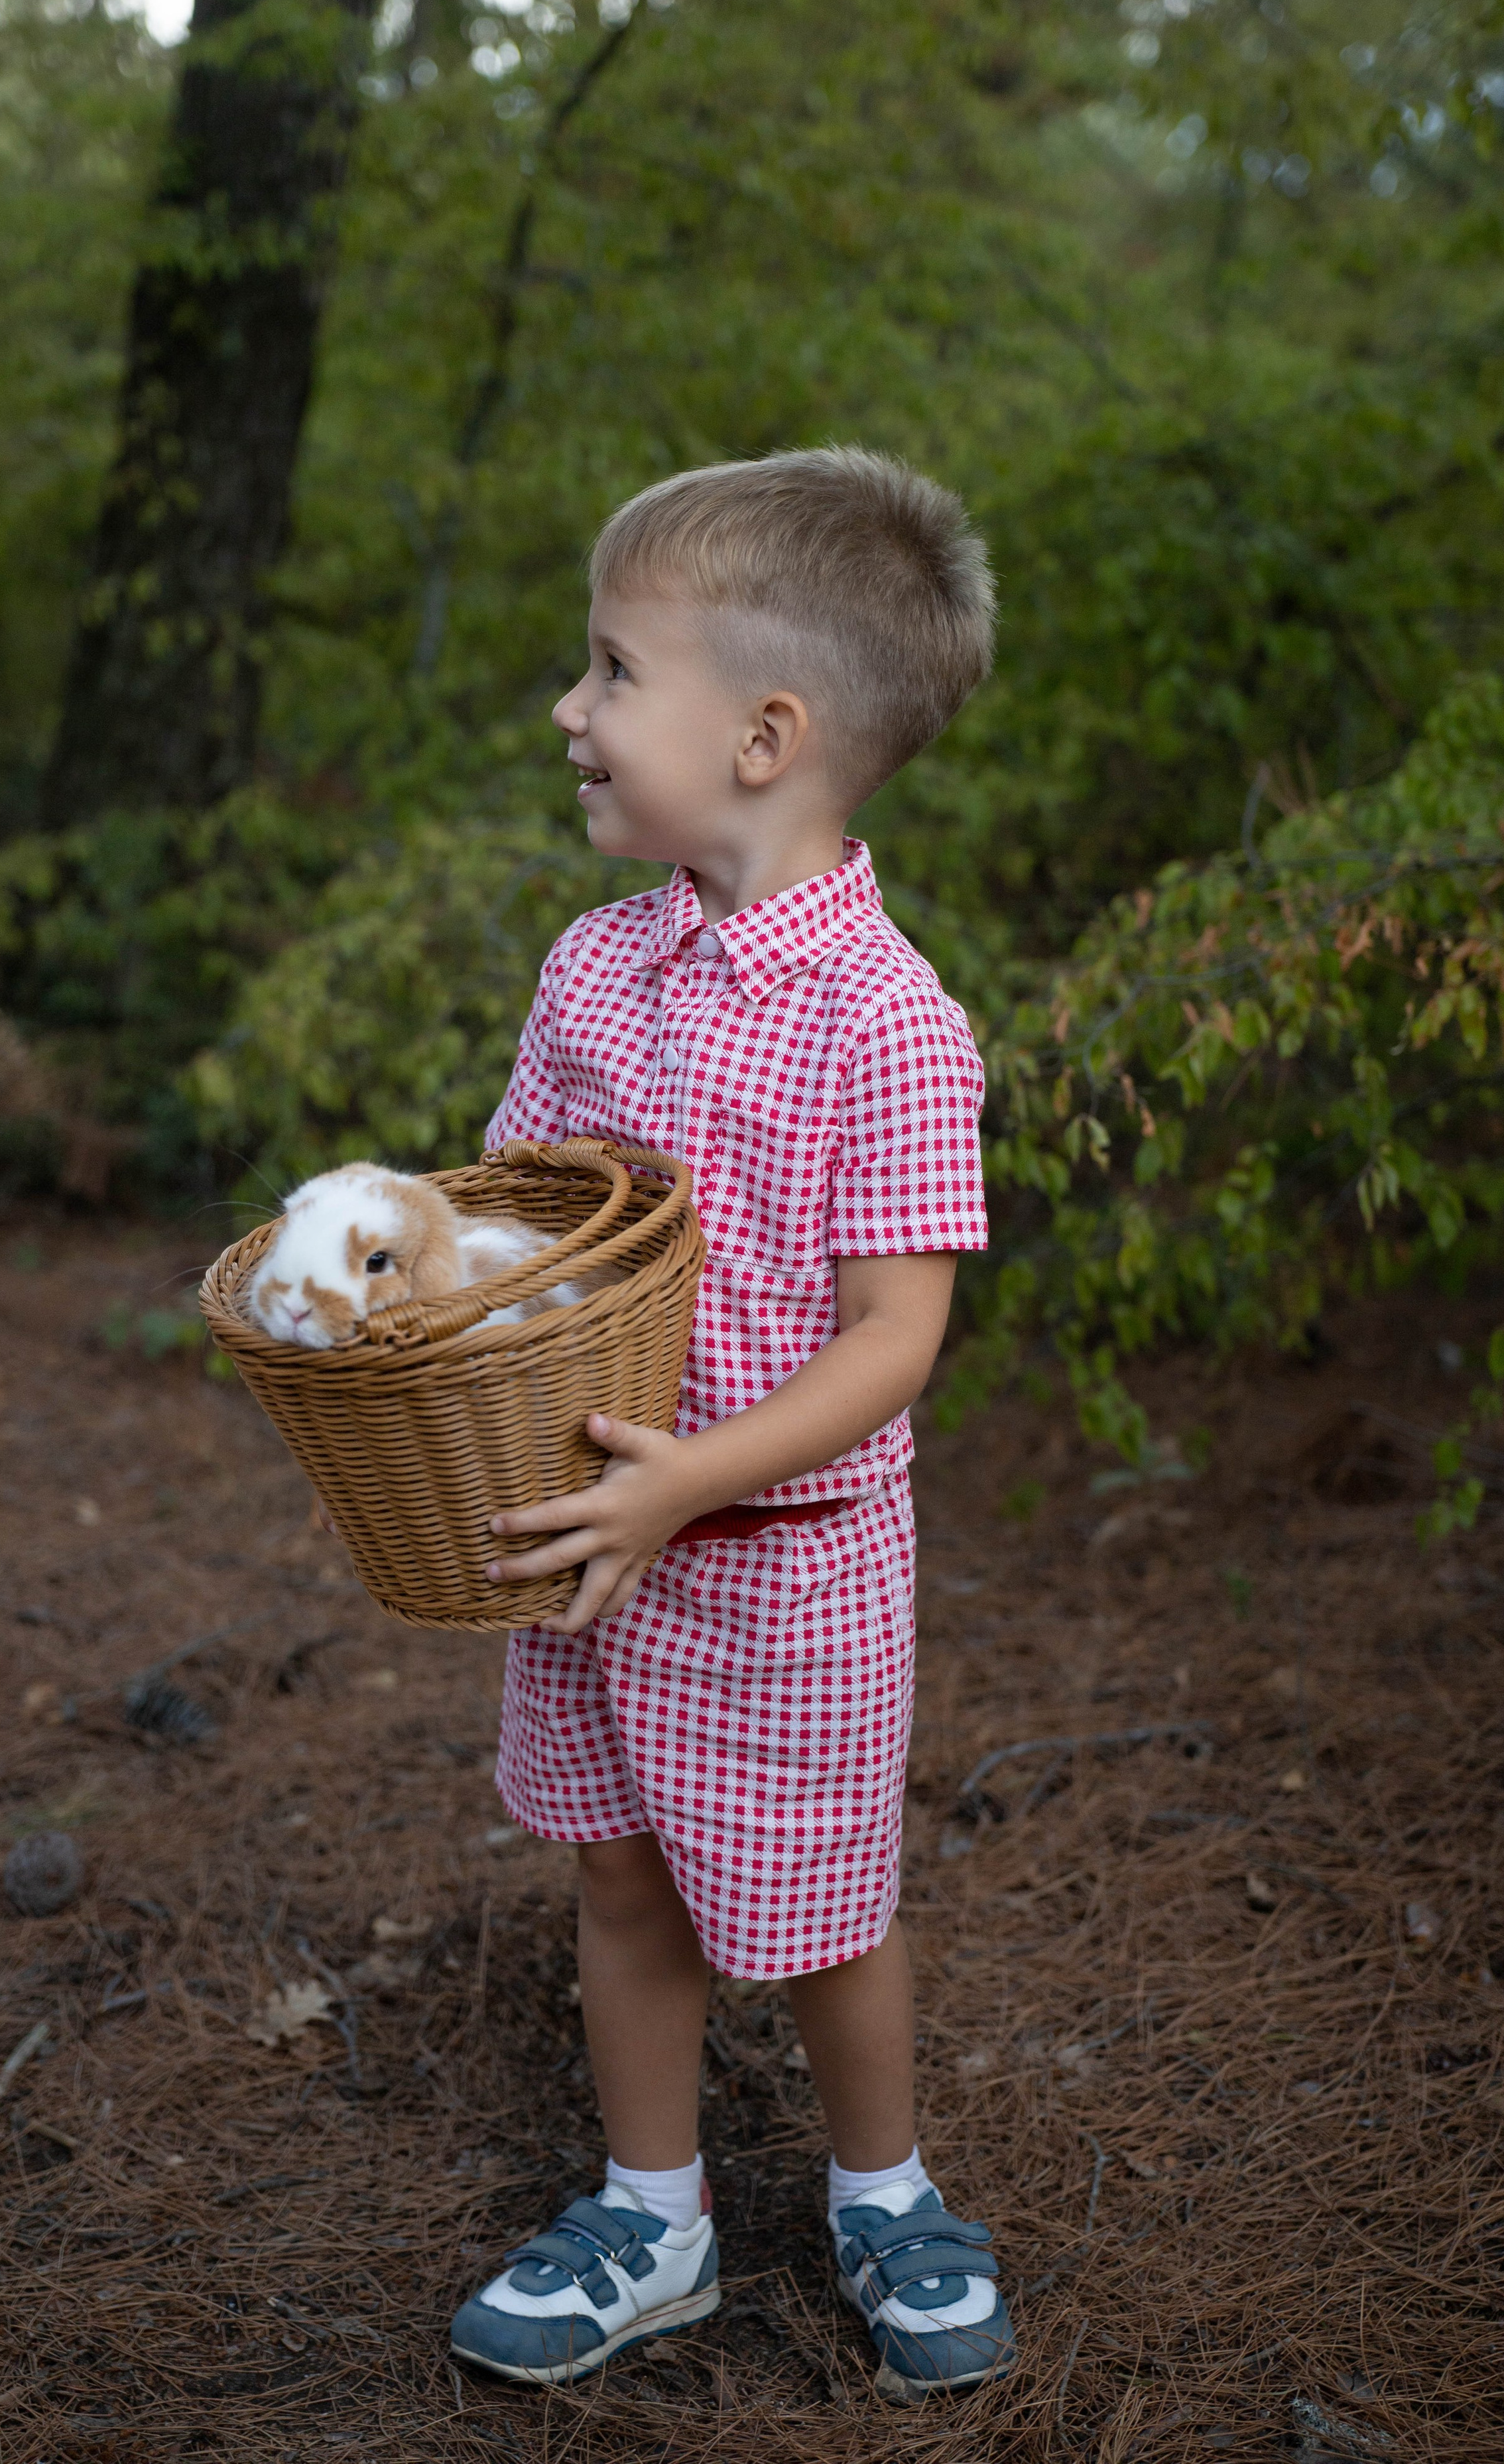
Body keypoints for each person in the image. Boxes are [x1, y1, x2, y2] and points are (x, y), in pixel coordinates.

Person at [448, 448, 1011, 2407]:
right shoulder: (595, 966)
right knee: (618, 1877)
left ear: (765, 736)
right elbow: (523, 1222)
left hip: (782, 1567)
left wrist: (691, 1474)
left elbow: (895, 1338)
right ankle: (654, 2209)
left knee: (823, 1906)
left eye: (610, 672)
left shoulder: (888, 1020)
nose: (569, 712)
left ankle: (887, 2191)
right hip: (595, 1537)